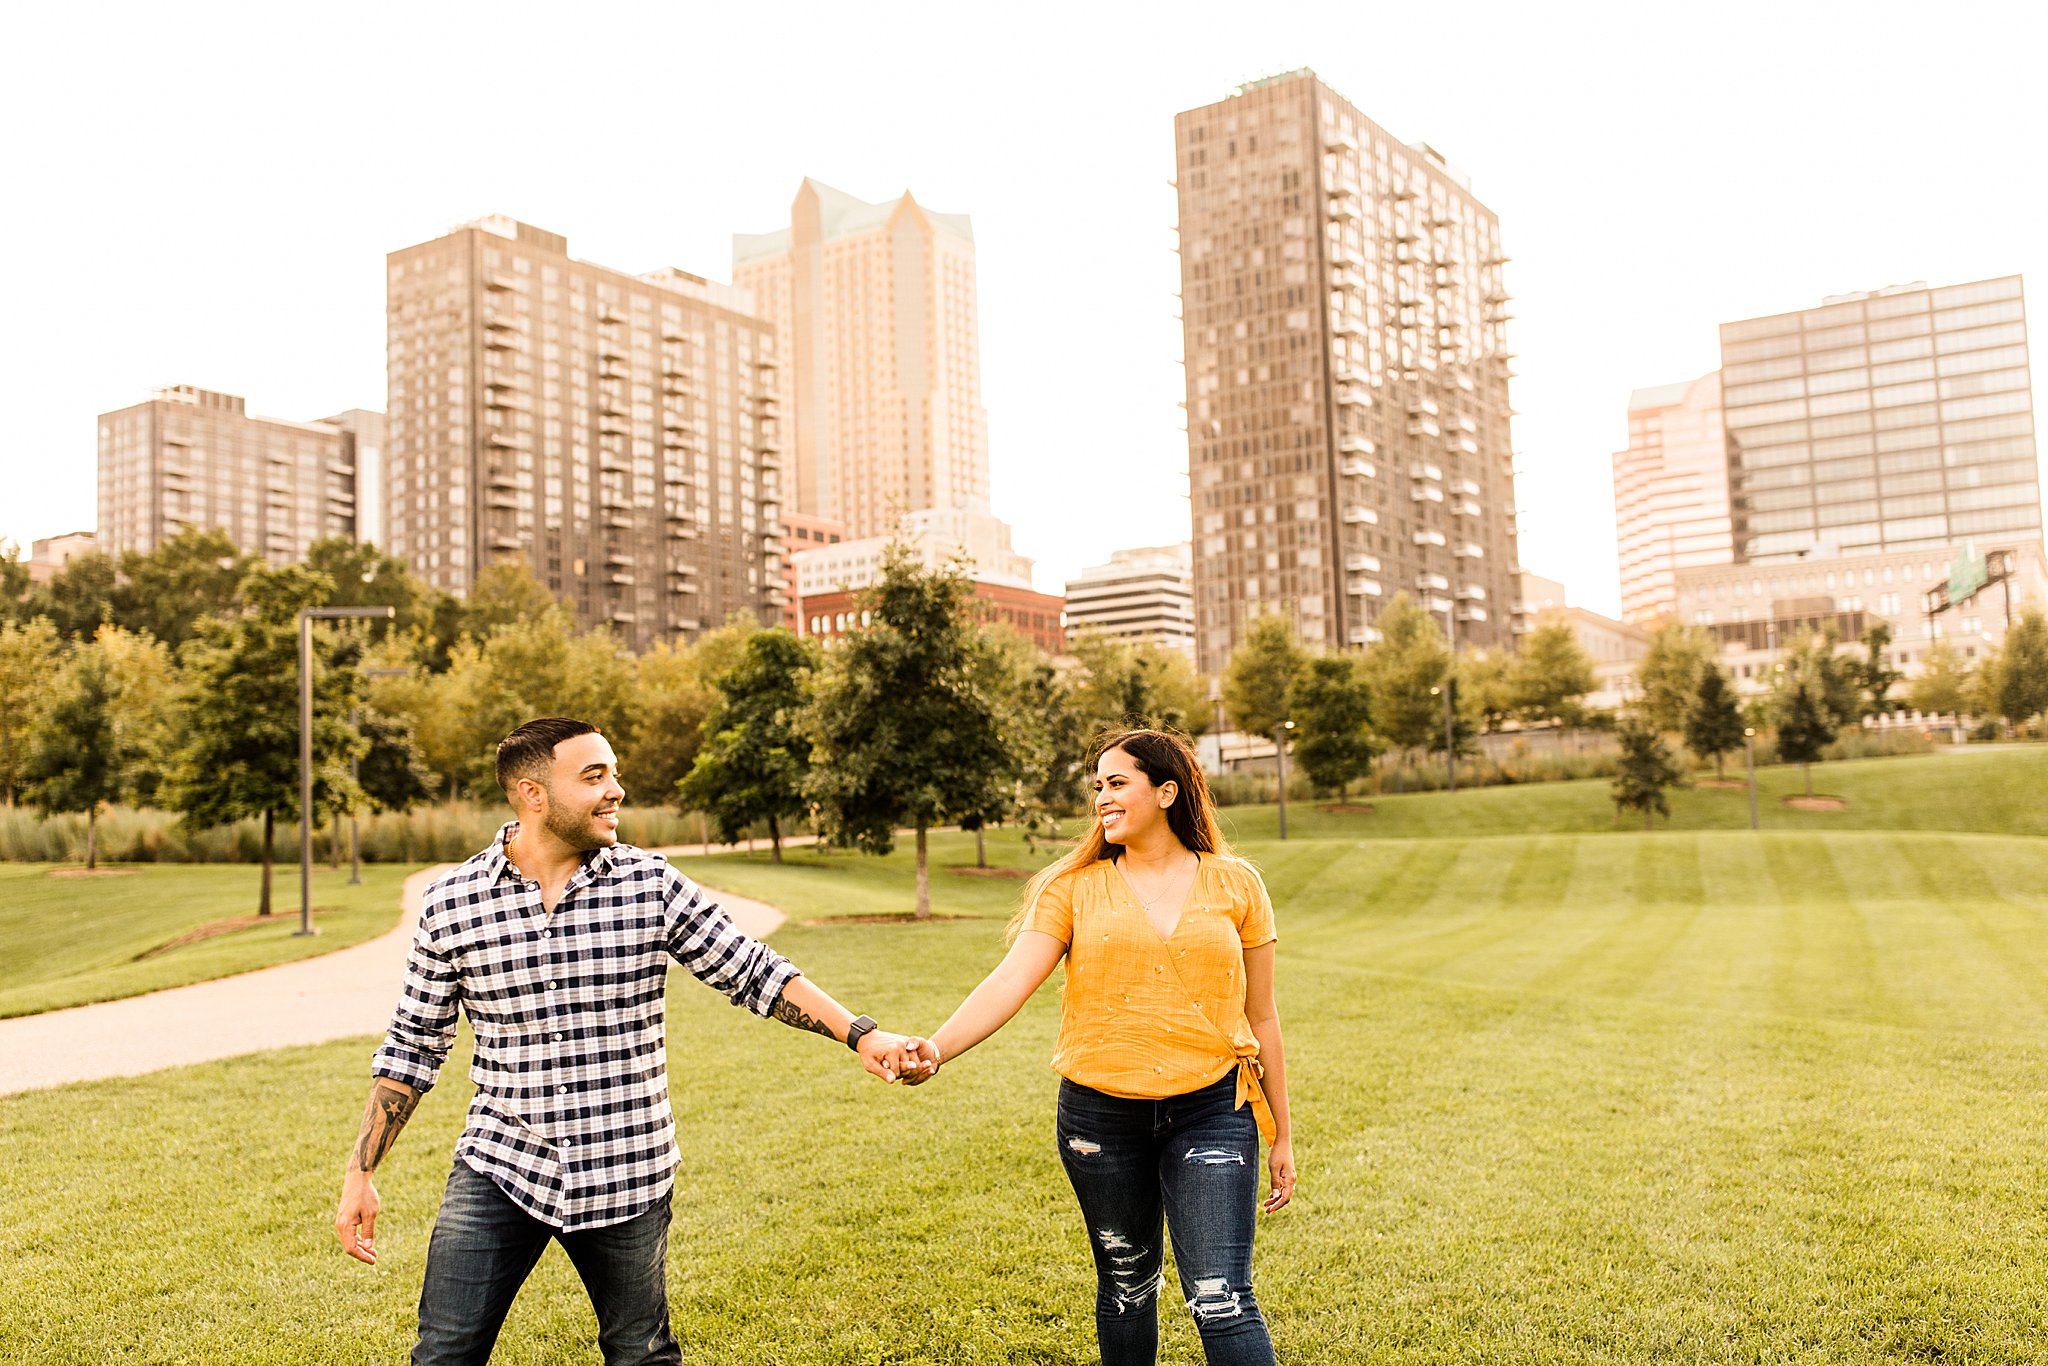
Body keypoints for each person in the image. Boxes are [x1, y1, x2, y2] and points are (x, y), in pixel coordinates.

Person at [333, 717, 932, 1365]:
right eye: (594, 776)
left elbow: (753, 971)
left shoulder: (651, 886)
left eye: (614, 773)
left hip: (628, 1173)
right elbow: (415, 1045)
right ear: (533, 794)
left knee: (640, 1353)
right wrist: (360, 1172)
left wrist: (862, 1034)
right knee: (444, 1353)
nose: (616, 790)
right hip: (500, 1166)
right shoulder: (450, 902)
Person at [913, 728, 1294, 1365]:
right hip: (1100, 1120)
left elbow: (1263, 1015)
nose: (1102, 799)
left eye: (1117, 783)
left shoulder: (1237, 884)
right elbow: (1011, 979)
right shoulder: (1073, 888)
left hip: (1214, 1111)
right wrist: (936, 1047)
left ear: (1167, 792)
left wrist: (1281, 1132)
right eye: (1098, 787)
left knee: (1222, 1297)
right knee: (1126, 1287)